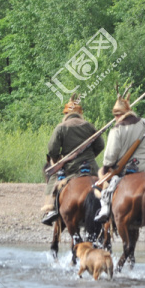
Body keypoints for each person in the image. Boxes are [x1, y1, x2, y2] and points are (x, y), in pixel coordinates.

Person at [94, 89, 145, 223]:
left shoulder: (116, 129)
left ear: (119, 114)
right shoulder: (143, 122)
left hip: (123, 171)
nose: (115, 118)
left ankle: (105, 210)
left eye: (116, 115)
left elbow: (110, 156)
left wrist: (105, 169)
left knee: (107, 190)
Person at [41, 95, 105, 225]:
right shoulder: (89, 126)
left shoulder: (61, 127)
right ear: (80, 113)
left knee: (53, 180)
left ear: (66, 113)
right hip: (91, 167)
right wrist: (91, 156)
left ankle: (50, 209)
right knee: (106, 186)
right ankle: (108, 209)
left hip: (71, 168)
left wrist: (58, 161)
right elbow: (100, 145)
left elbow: (52, 149)